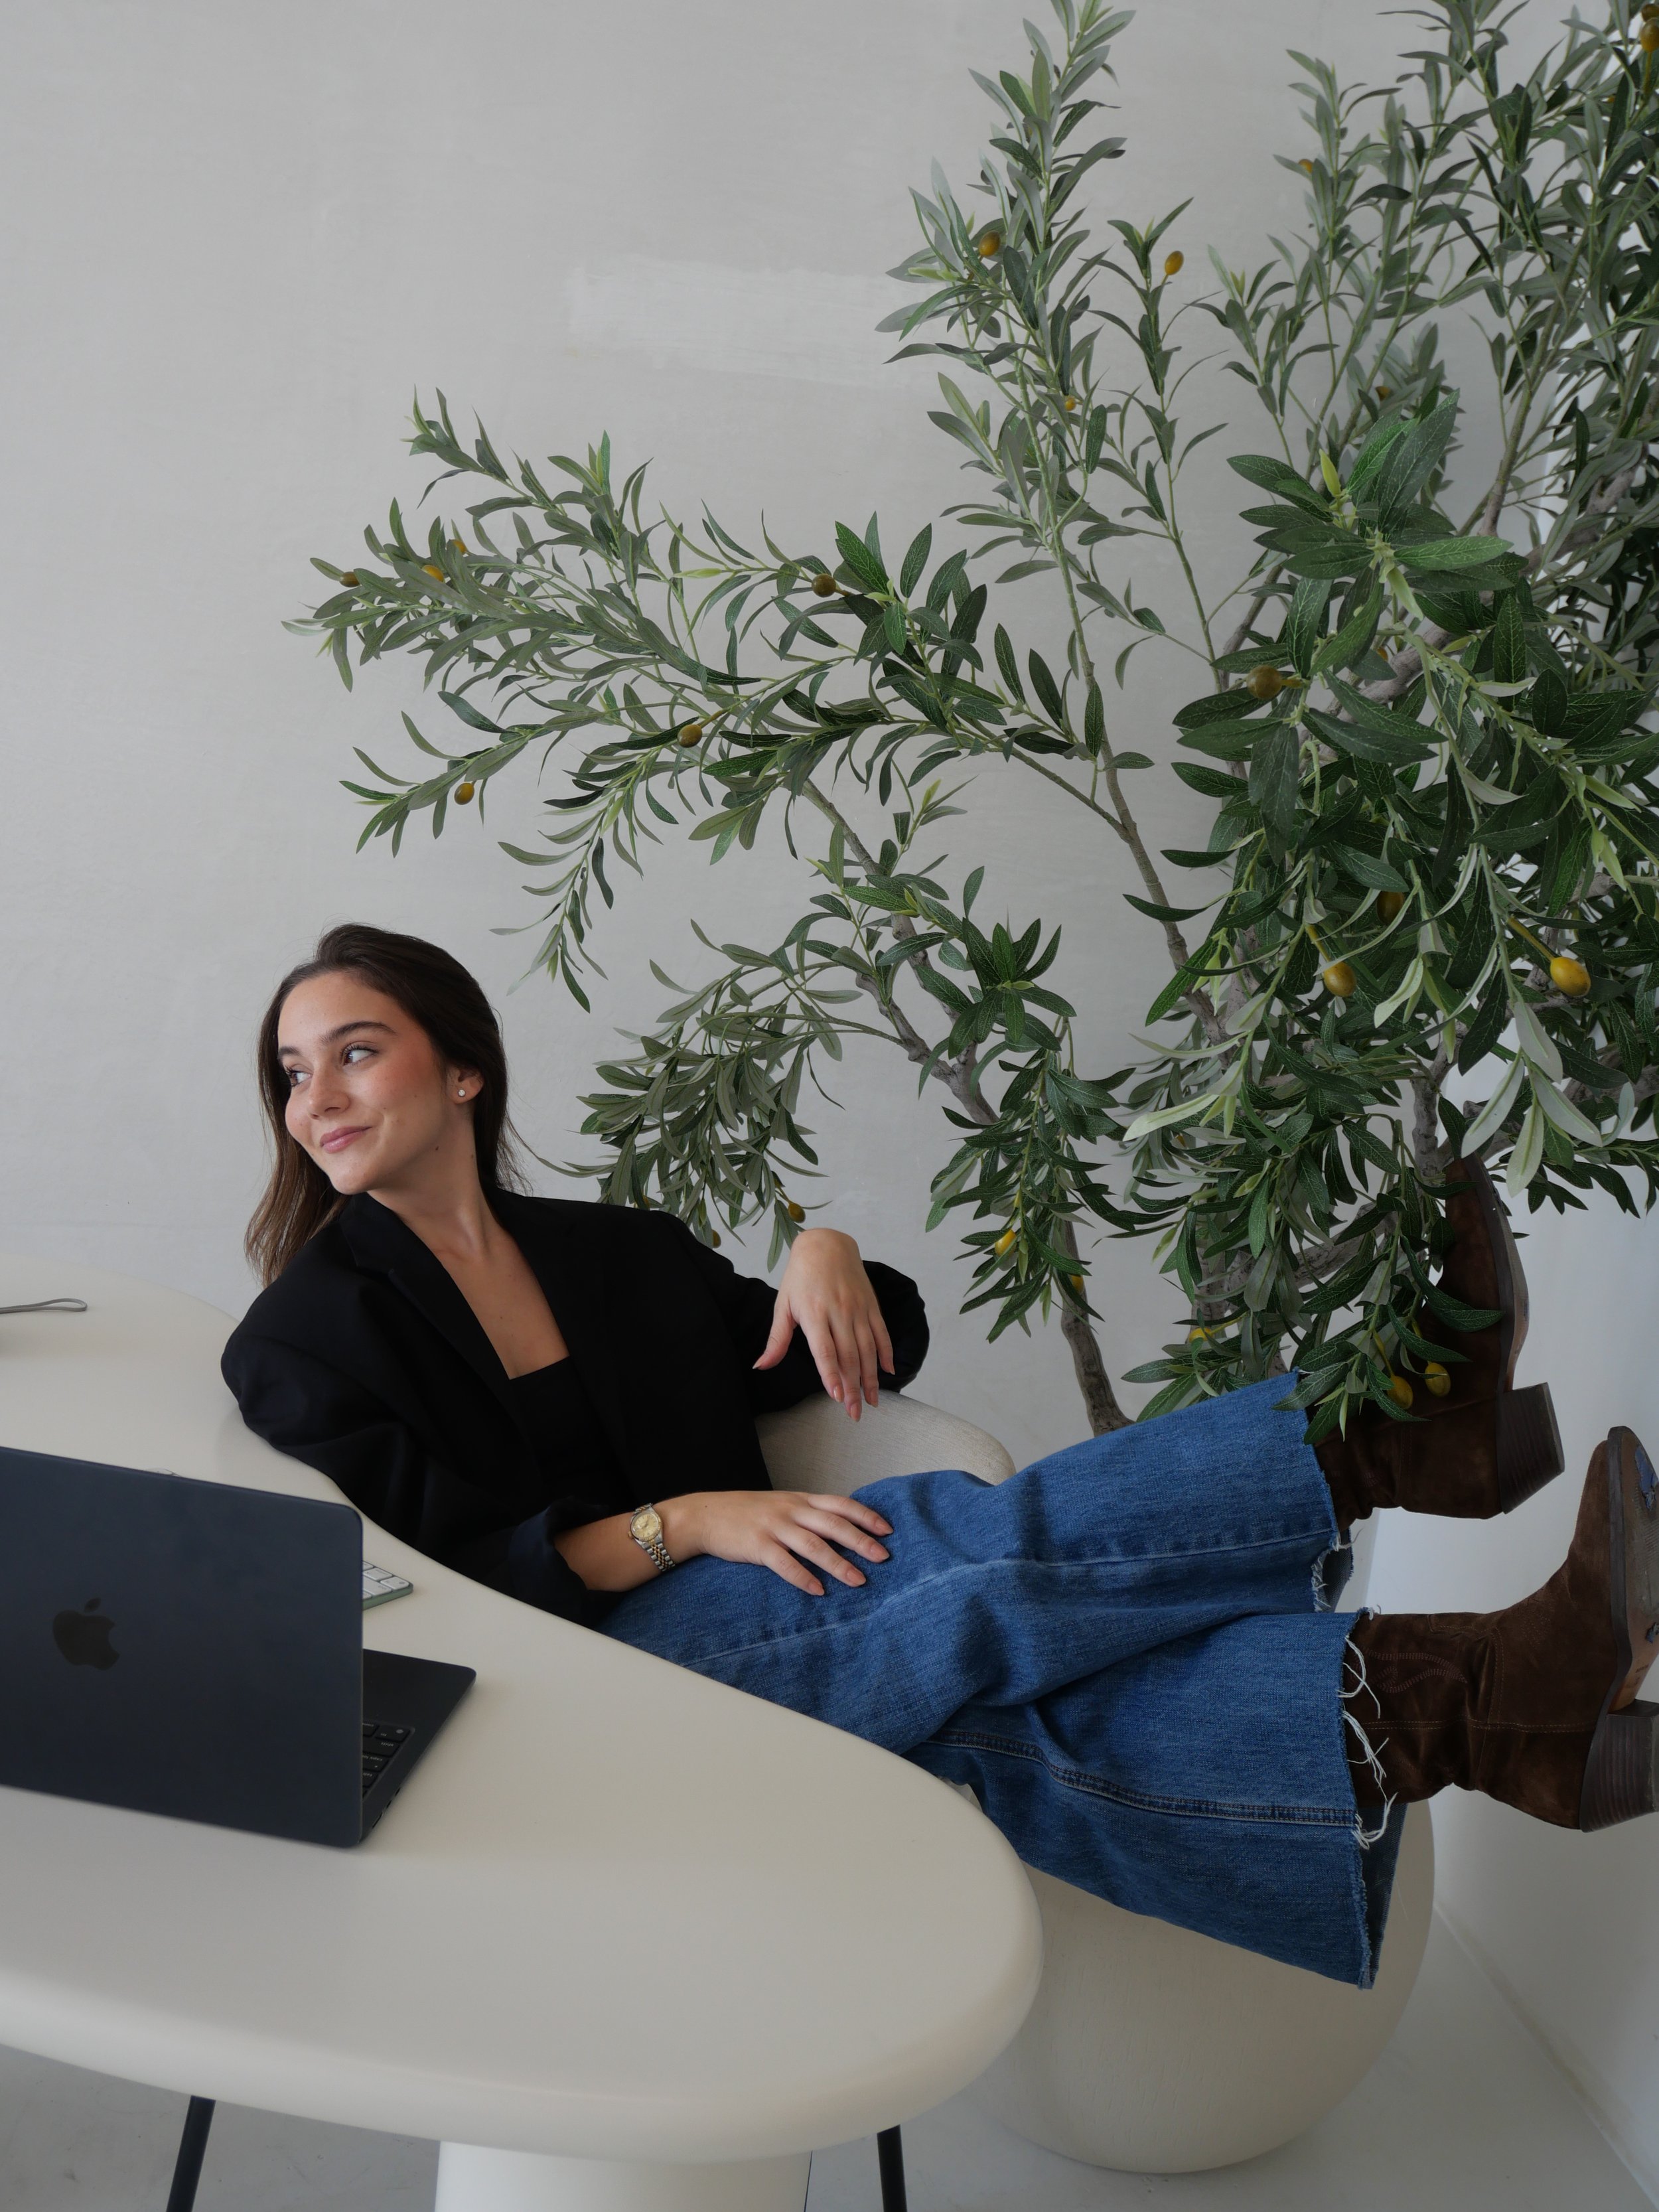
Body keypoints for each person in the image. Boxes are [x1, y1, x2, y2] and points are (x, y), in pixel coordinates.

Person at [224, 924, 1659, 1988]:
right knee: (948, 1551)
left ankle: (1488, 1700)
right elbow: (444, 1581)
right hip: (571, 1681)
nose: (317, 1095)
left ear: (463, 1067)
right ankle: (1404, 1455)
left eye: (355, 1049)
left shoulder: (611, 1253)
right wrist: (687, 1521)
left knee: (993, 1707)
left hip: (769, 1623)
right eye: (293, 1072)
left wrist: (825, 1246)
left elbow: (859, 1345)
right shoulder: (302, 1340)